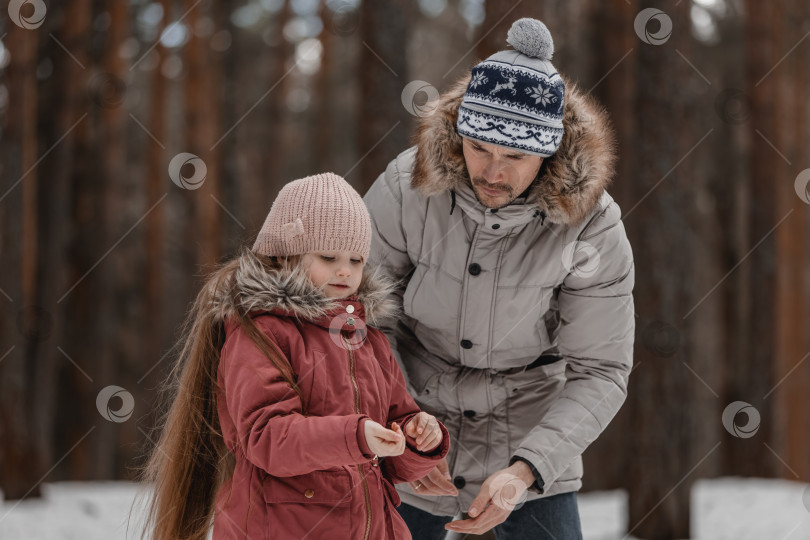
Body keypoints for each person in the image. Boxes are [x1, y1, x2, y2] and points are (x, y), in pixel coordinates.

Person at [363, 18, 635, 539]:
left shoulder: (592, 224)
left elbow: (600, 369)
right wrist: (405, 421)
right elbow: (360, 321)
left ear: (549, 153)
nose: (492, 172)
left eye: (515, 156)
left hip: (531, 426)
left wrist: (527, 470)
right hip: (409, 417)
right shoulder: (407, 186)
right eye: (480, 148)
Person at [138, 172, 451, 540]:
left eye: (356, 259)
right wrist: (355, 436)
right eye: (328, 255)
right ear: (285, 256)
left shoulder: (369, 342)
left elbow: (394, 448)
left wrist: (418, 438)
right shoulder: (262, 333)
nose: (344, 270)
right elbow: (266, 435)